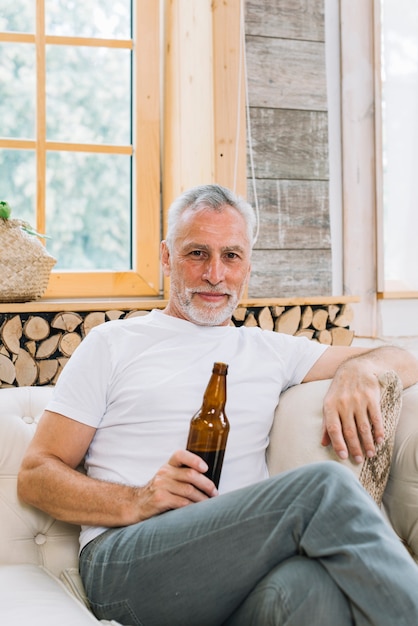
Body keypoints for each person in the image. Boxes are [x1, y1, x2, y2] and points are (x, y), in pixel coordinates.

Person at [18, 184, 418, 626]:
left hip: (232, 567)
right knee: (322, 488)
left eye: (231, 256)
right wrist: (138, 499)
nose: (215, 274)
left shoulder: (269, 349)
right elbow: (37, 475)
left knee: (308, 587)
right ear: (167, 258)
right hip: (127, 562)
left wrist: (358, 371)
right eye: (196, 254)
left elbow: (404, 359)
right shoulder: (113, 344)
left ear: (248, 265)